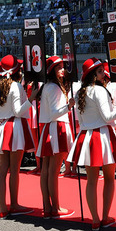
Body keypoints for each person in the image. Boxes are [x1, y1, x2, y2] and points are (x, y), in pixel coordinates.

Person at [69, 58, 116, 230]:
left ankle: (95, 219)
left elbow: (80, 120)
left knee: (91, 180)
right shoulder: (99, 91)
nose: (103, 72)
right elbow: (108, 117)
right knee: (109, 178)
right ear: (92, 74)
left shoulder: (79, 93)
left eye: (102, 70)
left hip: (86, 136)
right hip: (102, 136)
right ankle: (104, 216)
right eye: (98, 71)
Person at [0, 55, 35, 219]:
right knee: (14, 169)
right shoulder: (15, 86)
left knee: (3, 169)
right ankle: (13, 204)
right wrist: (32, 98)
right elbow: (18, 111)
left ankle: (3, 207)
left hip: (3, 128)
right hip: (15, 128)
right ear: (16, 71)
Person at [33, 56, 75, 219]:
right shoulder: (55, 88)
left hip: (49, 129)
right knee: (53, 171)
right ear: (52, 71)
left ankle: (47, 206)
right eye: (59, 68)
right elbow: (55, 113)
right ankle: (55, 207)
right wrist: (69, 106)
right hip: (56, 128)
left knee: (47, 170)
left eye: (63, 67)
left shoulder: (47, 87)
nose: (62, 70)